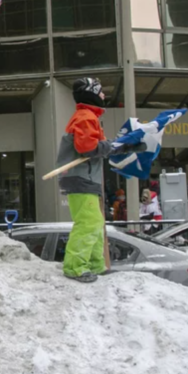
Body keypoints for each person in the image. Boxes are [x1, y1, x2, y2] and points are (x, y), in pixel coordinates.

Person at [55, 77, 113, 283]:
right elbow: (87, 148)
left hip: (85, 177)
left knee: (95, 222)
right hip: (81, 177)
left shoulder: (88, 116)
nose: (104, 96)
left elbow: (96, 147)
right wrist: (109, 147)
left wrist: (114, 147)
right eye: (101, 92)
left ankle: (96, 264)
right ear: (92, 93)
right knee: (88, 222)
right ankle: (75, 267)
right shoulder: (85, 117)